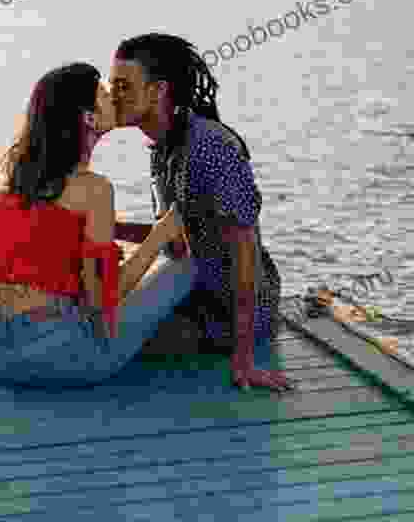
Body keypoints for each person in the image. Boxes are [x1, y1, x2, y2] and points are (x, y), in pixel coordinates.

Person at [0, 62, 201, 388]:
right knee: (186, 266)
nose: (117, 99)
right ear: (88, 118)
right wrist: (162, 234)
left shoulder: (20, 174)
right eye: (108, 94)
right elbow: (103, 298)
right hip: (61, 359)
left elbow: (49, 239)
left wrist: (126, 231)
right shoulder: (94, 189)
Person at [110, 34, 295, 393]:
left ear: (158, 90)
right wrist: (110, 227)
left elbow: (246, 253)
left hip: (228, 316)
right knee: (102, 322)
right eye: (112, 86)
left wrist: (242, 360)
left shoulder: (211, 146)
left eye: (122, 86)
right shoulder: (164, 147)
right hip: (190, 298)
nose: (112, 96)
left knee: (111, 337)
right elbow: (179, 236)